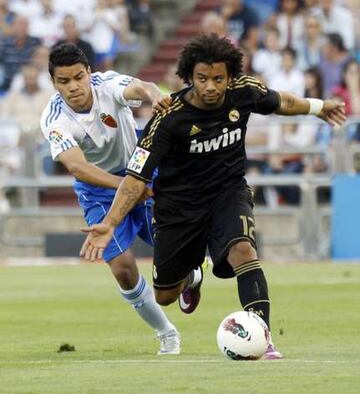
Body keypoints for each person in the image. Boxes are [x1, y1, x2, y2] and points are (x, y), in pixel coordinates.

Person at [80, 34, 346, 359]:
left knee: (244, 251)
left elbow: (281, 102)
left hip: (228, 193)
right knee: (164, 295)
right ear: (189, 77)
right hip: (178, 207)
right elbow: (136, 179)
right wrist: (109, 223)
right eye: (202, 78)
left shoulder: (244, 91)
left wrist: (318, 108)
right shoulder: (168, 118)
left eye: (218, 79)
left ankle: (263, 339)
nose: (210, 86)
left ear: (230, 76)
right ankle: (192, 275)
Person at [40, 43, 180, 355]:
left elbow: (140, 87)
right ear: (54, 83)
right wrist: (128, 186)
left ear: (89, 72)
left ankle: (190, 274)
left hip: (140, 169)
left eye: (79, 77)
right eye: (64, 81)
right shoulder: (54, 119)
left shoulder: (107, 85)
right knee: (123, 268)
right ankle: (166, 332)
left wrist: (154, 96)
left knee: (171, 247)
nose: (74, 86)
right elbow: (78, 167)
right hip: (99, 190)